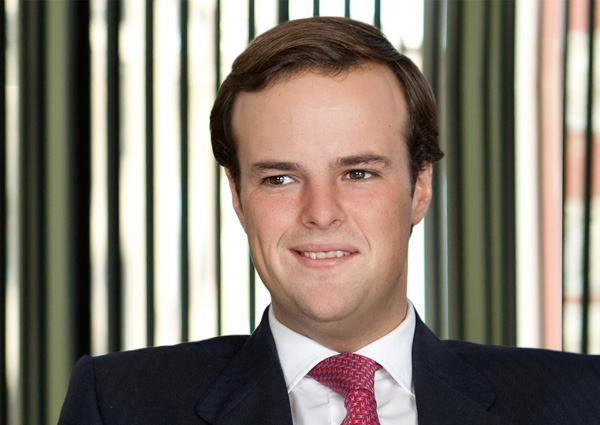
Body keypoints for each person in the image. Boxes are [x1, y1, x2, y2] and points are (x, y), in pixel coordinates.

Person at [58, 17, 600, 425]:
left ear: (419, 187)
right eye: (280, 178)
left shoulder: (579, 399)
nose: (320, 212)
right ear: (238, 198)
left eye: (359, 173)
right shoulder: (120, 403)